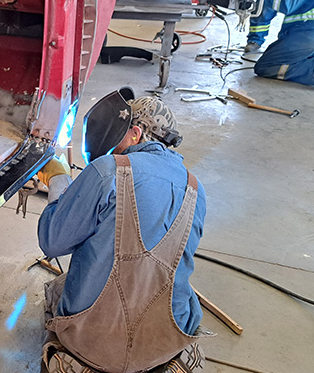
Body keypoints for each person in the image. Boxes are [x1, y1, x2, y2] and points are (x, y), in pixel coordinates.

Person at [37, 89, 211, 373]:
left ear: (135, 134)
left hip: (93, 345)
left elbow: (52, 242)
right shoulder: (195, 189)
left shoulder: (108, 170)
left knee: (58, 288)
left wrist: (59, 180)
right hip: (163, 345)